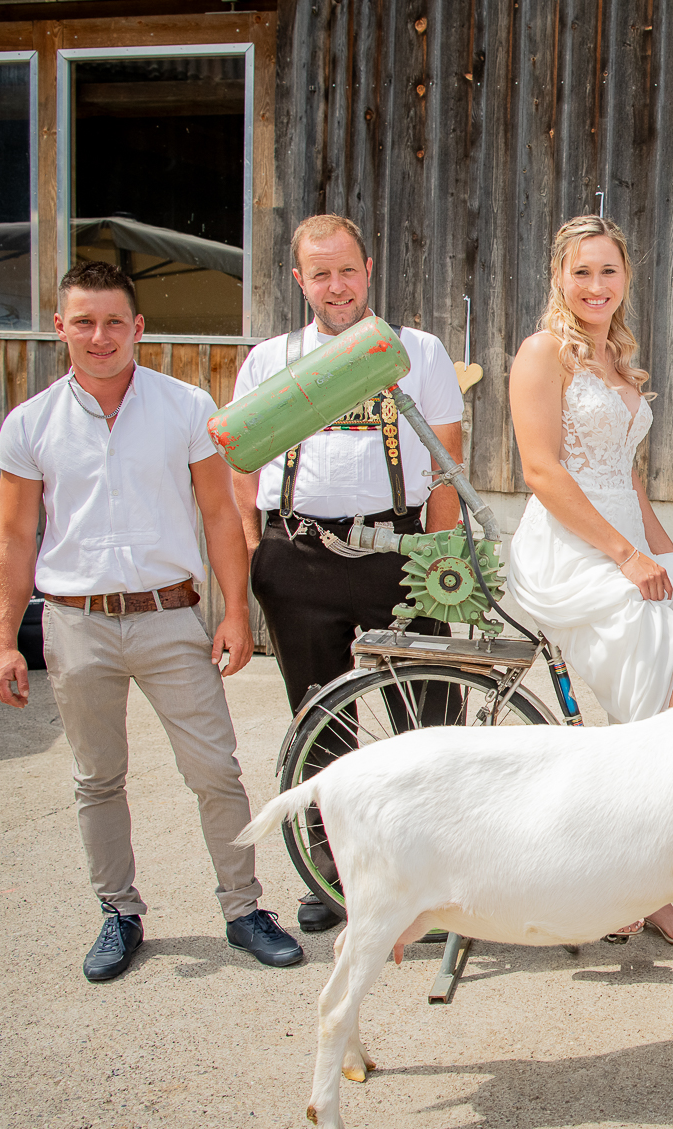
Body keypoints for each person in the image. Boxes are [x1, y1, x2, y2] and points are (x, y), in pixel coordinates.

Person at [0, 261, 303, 981]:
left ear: (138, 327)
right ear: (60, 327)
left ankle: (244, 909)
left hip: (169, 617)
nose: (99, 336)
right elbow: (14, 536)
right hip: (76, 622)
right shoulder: (30, 423)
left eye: (113, 322)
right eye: (84, 322)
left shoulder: (185, 406)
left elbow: (219, 513)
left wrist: (234, 614)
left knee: (215, 771)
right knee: (97, 778)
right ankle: (118, 913)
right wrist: (5, 641)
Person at [229, 214, 464, 933]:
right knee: (320, 722)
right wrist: (258, 559)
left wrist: (441, 560)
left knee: (430, 716)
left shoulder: (418, 351)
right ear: (299, 280)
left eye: (347, 270)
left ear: (369, 268)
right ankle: (334, 875)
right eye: (320, 274)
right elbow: (242, 470)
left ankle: (441, 871)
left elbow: (445, 467)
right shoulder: (270, 361)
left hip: (400, 549)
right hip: (299, 553)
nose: (337, 286)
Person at [504, 215, 673, 950]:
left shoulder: (617, 359)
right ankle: (645, 888)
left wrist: (665, 555)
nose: (596, 286)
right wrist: (627, 558)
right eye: (582, 272)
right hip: (570, 550)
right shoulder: (543, 353)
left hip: (622, 539)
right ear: (559, 278)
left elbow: (626, 477)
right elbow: (542, 471)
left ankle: (637, 882)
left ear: (626, 279)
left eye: (608, 271)